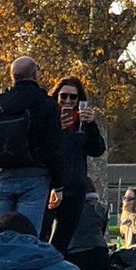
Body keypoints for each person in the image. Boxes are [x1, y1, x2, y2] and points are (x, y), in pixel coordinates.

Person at [0, 57, 66, 231]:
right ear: (35, 74)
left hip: (3, 177)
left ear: (12, 77)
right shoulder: (47, 105)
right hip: (35, 177)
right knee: (27, 234)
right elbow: (54, 148)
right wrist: (58, 185)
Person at [41, 77, 107, 257]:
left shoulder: (83, 123)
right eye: (63, 97)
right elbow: (42, 149)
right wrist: (56, 129)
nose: (68, 102)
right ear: (56, 97)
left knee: (63, 239)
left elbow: (97, 149)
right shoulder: (47, 119)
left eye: (73, 97)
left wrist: (92, 125)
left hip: (76, 186)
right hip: (50, 186)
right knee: (40, 234)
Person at [65, 185, 112, 270]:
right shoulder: (102, 209)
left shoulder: (69, 208)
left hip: (76, 256)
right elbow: (101, 232)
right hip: (100, 255)